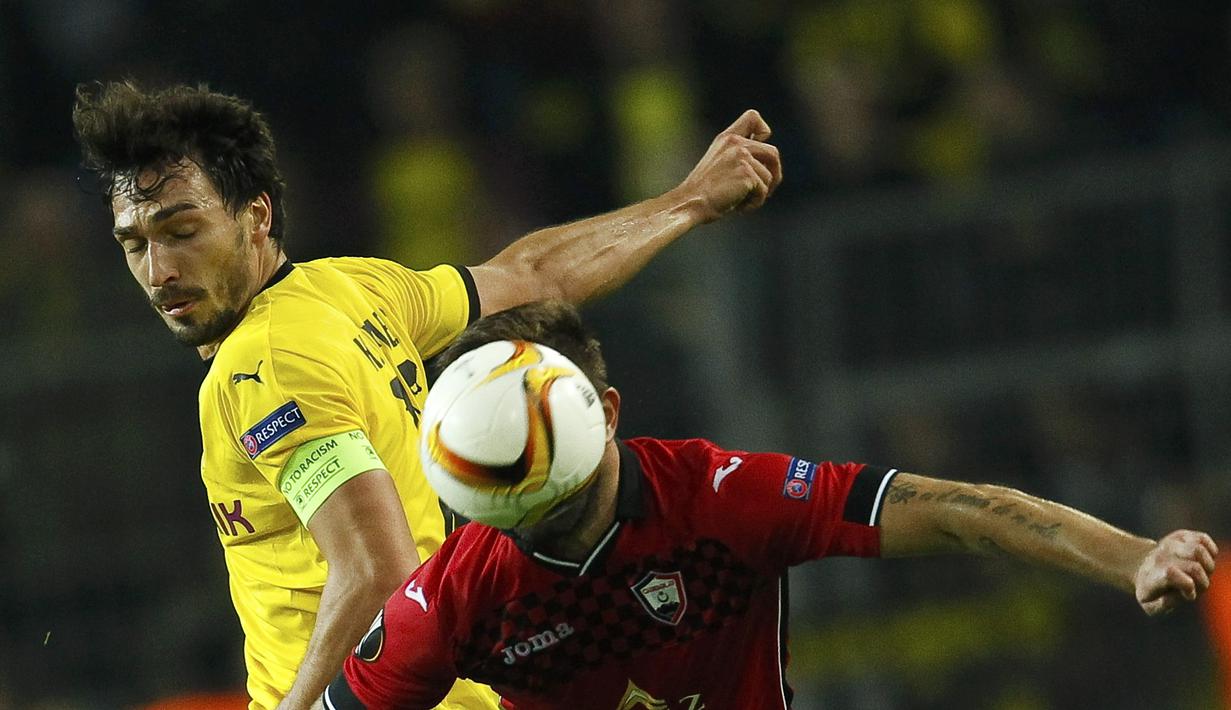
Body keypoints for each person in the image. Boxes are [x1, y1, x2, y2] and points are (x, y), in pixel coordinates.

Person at [71, 81, 783, 710]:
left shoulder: (262, 365)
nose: (159, 268)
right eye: (134, 243)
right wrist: (687, 202)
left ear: (256, 217)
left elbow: (379, 570)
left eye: (182, 230)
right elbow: (536, 274)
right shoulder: (353, 290)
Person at [318, 301, 1219, 710]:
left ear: (607, 413)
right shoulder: (455, 599)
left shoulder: (719, 498)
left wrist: (1132, 555)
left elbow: (955, 508)